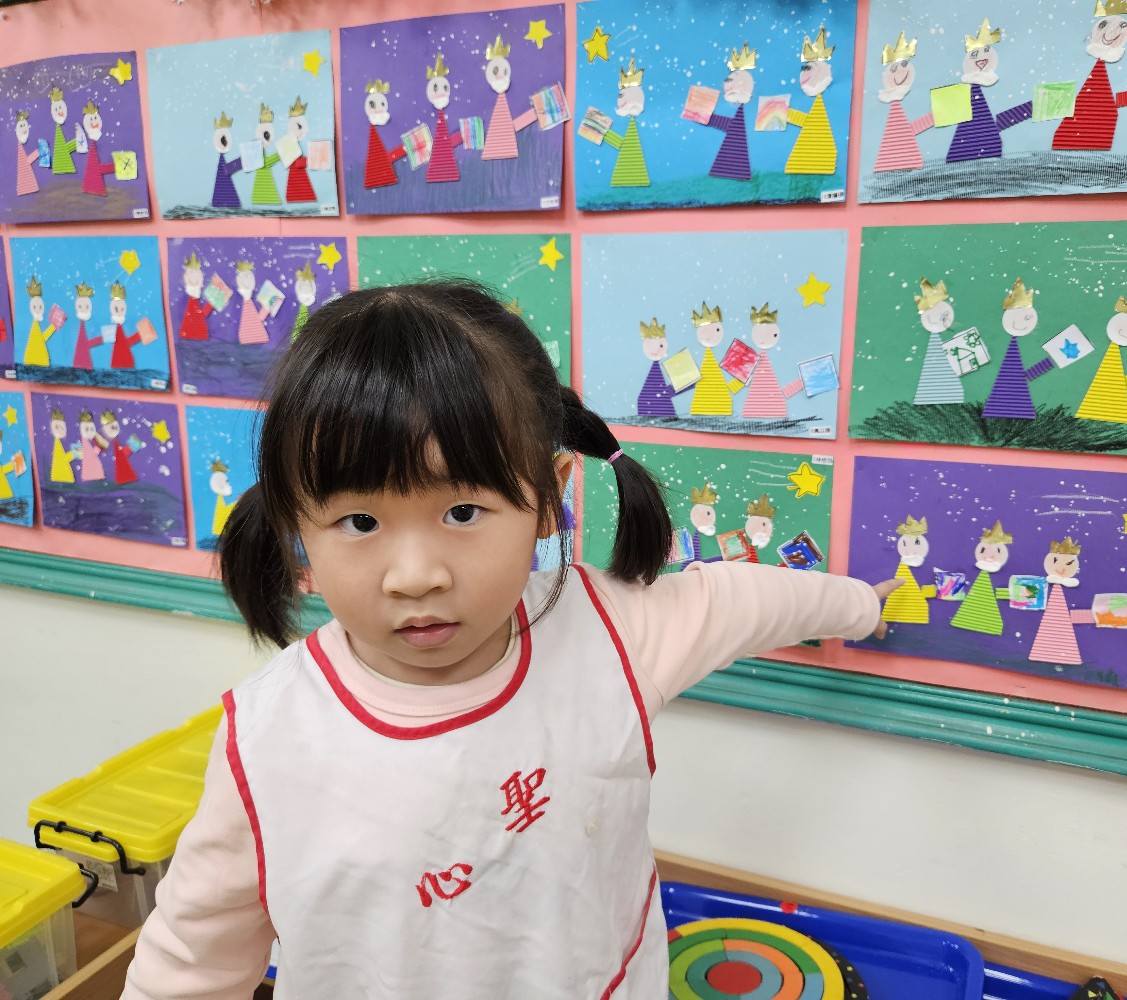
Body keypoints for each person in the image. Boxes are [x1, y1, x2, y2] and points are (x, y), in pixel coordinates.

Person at [119, 281, 899, 999]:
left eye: (462, 513)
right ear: (297, 524)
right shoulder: (267, 737)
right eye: (359, 522)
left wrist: (861, 605)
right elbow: (192, 956)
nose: (415, 576)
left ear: (547, 498)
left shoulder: (613, 630)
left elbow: (746, 600)